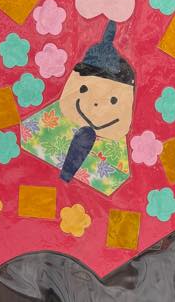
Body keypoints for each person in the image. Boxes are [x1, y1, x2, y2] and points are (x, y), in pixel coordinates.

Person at [19, 21, 134, 195]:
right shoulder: (41, 128)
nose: (97, 105)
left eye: (113, 101)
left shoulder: (115, 160)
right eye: (84, 89)